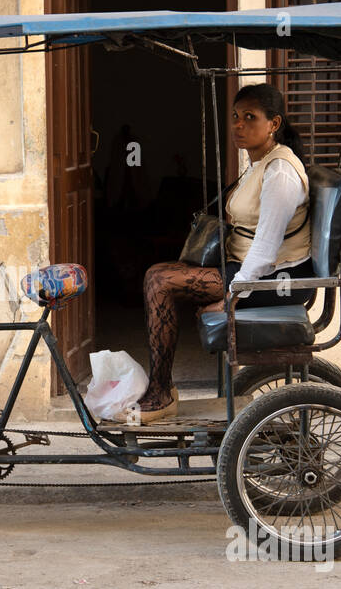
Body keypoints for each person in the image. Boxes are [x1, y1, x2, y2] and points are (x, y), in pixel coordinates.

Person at [135, 83, 317, 423]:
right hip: (249, 266)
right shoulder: (259, 163)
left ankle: (160, 391)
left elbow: (265, 249)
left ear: (274, 124)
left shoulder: (280, 172)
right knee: (158, 274)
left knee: (159, 281)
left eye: (250, 117)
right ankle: (162, 387)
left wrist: (234, 295)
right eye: (235, 116)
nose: (238, 125)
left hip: (278, 278)